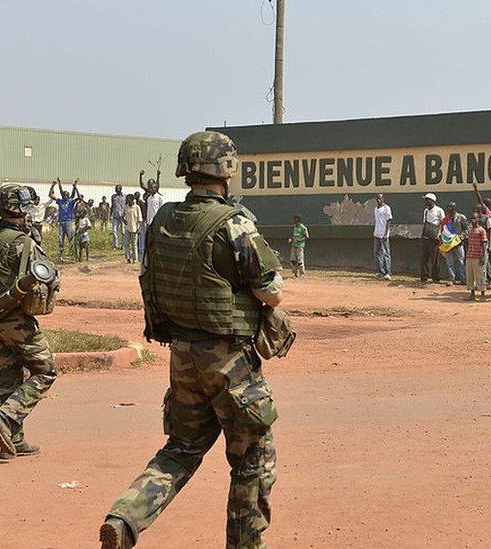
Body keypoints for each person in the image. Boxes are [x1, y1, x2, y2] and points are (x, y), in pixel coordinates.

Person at [100, 132, 284, 549]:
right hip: (229, 362)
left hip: (182, 357)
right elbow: (271, 290)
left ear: (187, 170)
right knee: (253, 457)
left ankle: (125, 516)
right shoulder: (233, 222)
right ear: (227, 171)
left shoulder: (162, 219)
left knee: (182, 448)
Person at [0, 184, 58, 459]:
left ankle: (13, 441)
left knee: (8, 377)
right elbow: (48, 276)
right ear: (20, 209)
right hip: (16, 321)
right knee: (46, 371)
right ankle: (6, 418)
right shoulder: (23, 243)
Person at [49, 178, 82, 257]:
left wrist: (75, 187)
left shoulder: (71, 201)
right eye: (64, 195)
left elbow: (80, 198)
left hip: (68, 222)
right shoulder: (60, 201)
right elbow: (50, 195)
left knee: (70, 238)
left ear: (68, 195)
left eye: (66, 195)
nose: (65, 196)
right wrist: (53, 186)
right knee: (61, 239)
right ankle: (61, 255)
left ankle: (73, 253)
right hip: (61, 223)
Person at [420, 193, 445, 283]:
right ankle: (424, 276)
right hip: (426, 236)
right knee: (424, 257)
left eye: (427, 199)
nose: (425, 201)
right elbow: (425, 222)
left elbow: (443, 223)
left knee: (434, 258)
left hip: (435, 236)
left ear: (432, 201)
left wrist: (439, 235)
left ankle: (435, 277)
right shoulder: (425, 211)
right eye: (425, 200)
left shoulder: (439, 210)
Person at [442, 202, 469, 285]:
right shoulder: (445, 219)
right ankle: (451, 279)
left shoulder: (461, 217)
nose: (448, 209)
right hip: (448, 244)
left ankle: (463, 279)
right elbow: (443, 231)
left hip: (458, 243)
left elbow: (467, 230)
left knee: (461, 261)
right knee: (449, 262)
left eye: (449, 207)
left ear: (454, 208)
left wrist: (460, 237)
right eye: (447, 207)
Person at [139, 169, 164, 256]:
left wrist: (158, 176)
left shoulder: (159, 197)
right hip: (148, 219)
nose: (149, 185)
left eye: (151, 184)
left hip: (156, 220)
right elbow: (142, 185)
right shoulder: (148, 195)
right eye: (148, 184)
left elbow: (161, 209)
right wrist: (141, 176)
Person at [465, 212, 487, 301]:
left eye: (474, 218)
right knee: (470, 276)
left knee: (480, 275)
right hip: (470, 255)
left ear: (478, 219)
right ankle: (472, 293)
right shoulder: (470, 230)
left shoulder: (481, 230)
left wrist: (483, 255)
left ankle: (482, 294)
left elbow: (484, 243)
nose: (473, 220)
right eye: (472, 219)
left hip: (478, 256)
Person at [373, 193, 392, 280]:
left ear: (383, 199)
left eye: (380, 198)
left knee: (386, 253)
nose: (378, 200)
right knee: (377, 253)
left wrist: (385, 234)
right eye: (377, 198)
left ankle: (388, 272)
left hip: (384, 235)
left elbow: (389, 221)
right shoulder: (376, 209)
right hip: (376, 234)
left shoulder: (386, 208)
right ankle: (380, 271)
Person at [122, 194, 142, 263]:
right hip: (127, 228)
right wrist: (124, 220)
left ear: (132, 200)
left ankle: (135, 259)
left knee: (134, 245)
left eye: (128, 199)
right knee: (126, 244)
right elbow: (122, 215)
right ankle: (127, 258)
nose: (127, 201)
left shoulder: (137, 207)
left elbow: (139, 220)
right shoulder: (126, 207)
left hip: (134, 229)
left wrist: (138, 228)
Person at [111, 185, 126, 250]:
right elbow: (112, 206)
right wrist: (110, 216)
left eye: (117, 189)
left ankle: (123, 246)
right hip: (115, 216)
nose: (116, 190)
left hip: (123, 216)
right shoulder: (113, 197)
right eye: (115, 189)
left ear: (120, 189)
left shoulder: (125, 196)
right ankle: (115, 245)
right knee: (114, 231)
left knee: (123, 232)